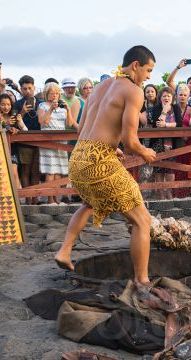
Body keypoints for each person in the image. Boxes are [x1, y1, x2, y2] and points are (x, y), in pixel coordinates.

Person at [55, 46, 157, 285]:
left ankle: (65, 250)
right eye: (149, 70)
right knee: (143, 220)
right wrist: (145, 152)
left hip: (79, 157)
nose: (149, 76)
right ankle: (142, 281)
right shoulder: (133, 91)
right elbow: (131, 142)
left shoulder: (99, 87)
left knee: (90, 203)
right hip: (98, 160)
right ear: (135, 66)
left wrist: (113, 146)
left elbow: (83, 129)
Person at [37, 82, 75, 205]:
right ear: (46, 94)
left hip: (61, 141)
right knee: (50, 170)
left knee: (59, 171)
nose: (55, 95)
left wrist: (68, 110)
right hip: (48, 140)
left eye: (57, 93)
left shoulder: (62, 107)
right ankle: (49, 199)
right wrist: (51, 109)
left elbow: (69, 124)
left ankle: (56, 199)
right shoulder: (42, 105)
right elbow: (43, 122)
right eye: (52, 93)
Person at [149, 86, 182, 199]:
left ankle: (169, 191)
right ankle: (160, 193)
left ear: (172, 97)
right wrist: (164, 112)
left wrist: (166, 125)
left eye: (168, 95)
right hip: (158, 142)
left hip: (172, 142)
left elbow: (179, 123)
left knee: (170, 168)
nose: (166, 97)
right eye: (164, 96)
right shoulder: (156, 108)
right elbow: (157, 124)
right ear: (160, 97)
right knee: (159, 168)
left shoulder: (176, 107)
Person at [14, 75, 42, 204]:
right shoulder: (17, 104)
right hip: (24, 141)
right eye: (24, 89)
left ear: (34, 87)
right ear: (21, 89)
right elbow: (13, 123)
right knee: (25, 170)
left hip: (41, 141)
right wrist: (23, 112)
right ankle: (28, 198)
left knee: (36, 170)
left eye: (30, 88)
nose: (28, 91)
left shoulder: (41, 102)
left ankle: (35, 199)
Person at [0, 93, 27, 189]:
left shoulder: (14, 116)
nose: (6, 107)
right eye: (3, 104)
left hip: (12, 149)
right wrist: (5, 124)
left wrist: (20, 123)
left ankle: (17, 199)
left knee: (14, 172)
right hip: (1, 149)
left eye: (8, 104)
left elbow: (26, 131)